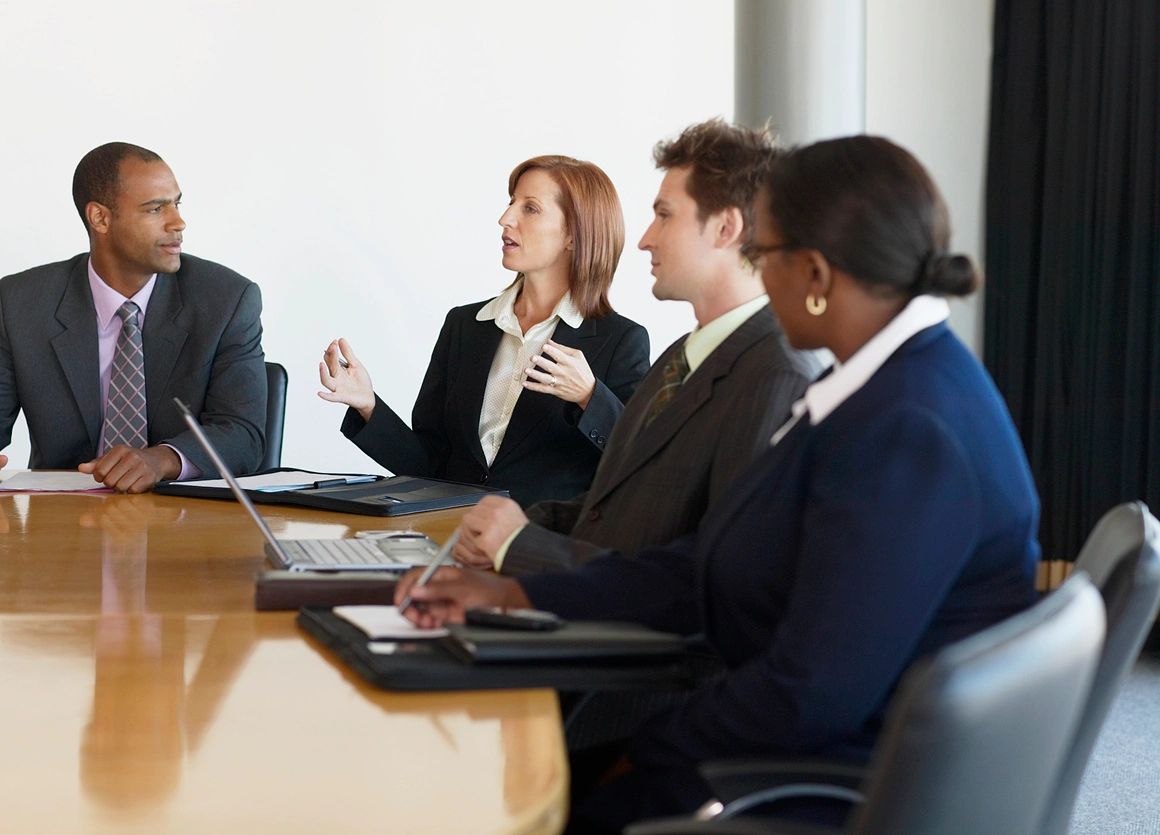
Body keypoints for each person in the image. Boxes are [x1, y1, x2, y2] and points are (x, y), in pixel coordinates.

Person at [394, 136, 1042, 832]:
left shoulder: (909, 430)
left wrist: (642, 752)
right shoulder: (879, 393)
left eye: (768, 253)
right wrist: (520, 587)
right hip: (790, 753)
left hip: (819, 786)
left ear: (816, 272)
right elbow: (713, 565)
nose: (756, 271)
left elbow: (809, 691)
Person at [452, 120, 818, 575]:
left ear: (726, 228)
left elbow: (715, 575)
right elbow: (623, 507)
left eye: (664, 215)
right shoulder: (680, 358)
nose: (645, 238)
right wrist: (513, 531)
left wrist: (520, 550)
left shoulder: (777, 376)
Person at [0, 142, 267, 494]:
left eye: (176, 204)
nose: (178, 222)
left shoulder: (226, 300)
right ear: (100, 218)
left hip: (185, 522)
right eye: (155, 209)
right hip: (61, 526)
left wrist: (161, 460)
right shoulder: (22, 302)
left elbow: (243, 434)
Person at [317, 156, 649, 508]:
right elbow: (429, 466)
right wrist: (368, 405)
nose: (505, 219)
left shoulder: (621, 341)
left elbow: (641, 463)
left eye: (531, 208)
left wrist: (589, 396)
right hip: (447, 534)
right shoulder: (464, 326)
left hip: (538, 549)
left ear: (573, 234)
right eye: (511, 203)